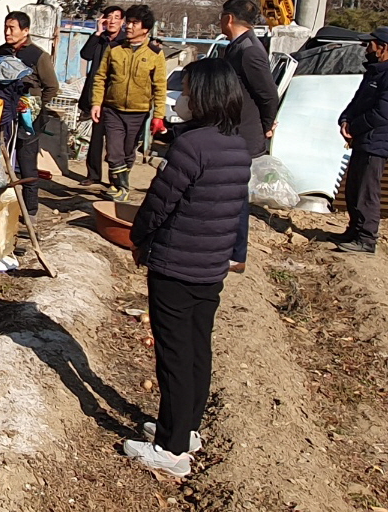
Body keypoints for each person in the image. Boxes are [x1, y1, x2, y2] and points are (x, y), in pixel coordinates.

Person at [123, 58, 252, 478]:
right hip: (210, 267)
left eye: (191, 90)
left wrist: (139, 238)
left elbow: (159, 203)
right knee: (198, 348)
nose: (185, 98)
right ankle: (186, 427)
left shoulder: (191, 146)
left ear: (207, 96)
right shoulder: (236, 145)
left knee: (174, 356)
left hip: (176, 265)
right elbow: (238, 211)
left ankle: (172, 449)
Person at [332, 26, 388, 253]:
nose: (367, 48)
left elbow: (382, 113)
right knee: (354, 189)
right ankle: (354, 230)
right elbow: (358, 101)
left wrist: (355, 127)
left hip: (376, 142)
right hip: (363, 140)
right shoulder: (375, 73)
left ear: (383, 48)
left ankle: (367, 239)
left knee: (367, 192)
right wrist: (345, 119)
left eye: (371, 44)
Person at [220, 0, 279, 273]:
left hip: (245, 132)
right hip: (233, 128)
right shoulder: (237, 47)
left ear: (229, 18)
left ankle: (236, 253)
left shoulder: (250, 51)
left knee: (236, 193)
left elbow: (268, 94)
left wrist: (267, 125)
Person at [89, 4, 167, 203]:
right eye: (129, 22)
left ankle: (118, 186)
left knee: (128, 152)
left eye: (134, 23)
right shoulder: (114, 49)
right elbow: (100, 77)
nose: (129, 26)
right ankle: (123, 187)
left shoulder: (155, 53)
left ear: (145, 29)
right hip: (113, 109)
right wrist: (96, 103)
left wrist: (159, 115)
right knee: (114, 152)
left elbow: (160, 86)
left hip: (139, 112)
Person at [0, 11, 59, 222]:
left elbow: (52, 87)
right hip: (5, 114)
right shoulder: (3, 51)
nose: (7, 32)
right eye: (6, 27)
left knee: (26, 163)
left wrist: (35, 106)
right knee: (1, 161)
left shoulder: (38, 56)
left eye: (12, 28)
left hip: (28, 119)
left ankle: (30, 210)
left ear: (25, 31)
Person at [78, 5, 126, 186]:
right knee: (96, 139)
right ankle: (93, 175)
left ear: (122, 22)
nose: (112, 21)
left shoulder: (124, 42)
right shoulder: (101, 40)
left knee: (115, 141)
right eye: (109, 17)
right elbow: (85, 55)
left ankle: (116, 180)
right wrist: (97, 33)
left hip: (115, 96)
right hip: (97, 96)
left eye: (116, 17)